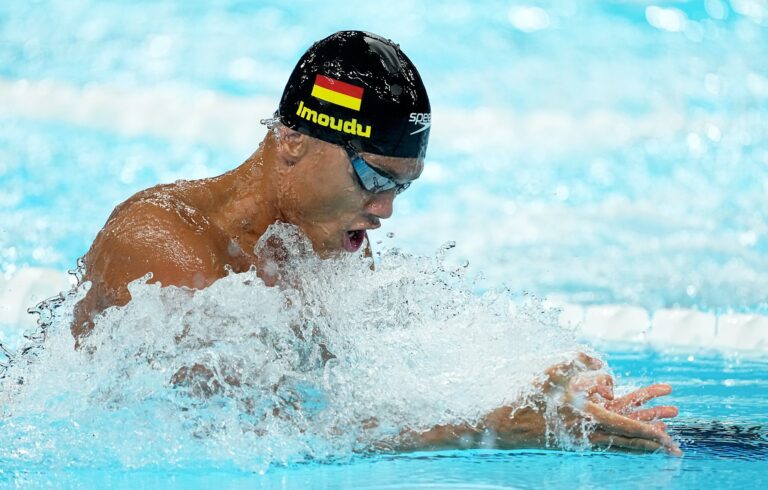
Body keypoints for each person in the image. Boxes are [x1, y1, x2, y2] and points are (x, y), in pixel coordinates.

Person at [71, 31, 681, 456]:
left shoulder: (315, 246)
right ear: (292, 141)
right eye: (372, 178)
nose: (385, 209)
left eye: (400, 189)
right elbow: (255, 436)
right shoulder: (161, 244)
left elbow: (364, 391)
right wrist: (489, 430)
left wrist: (537, 392)